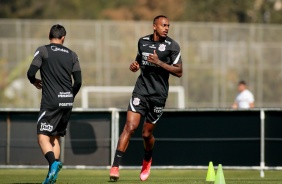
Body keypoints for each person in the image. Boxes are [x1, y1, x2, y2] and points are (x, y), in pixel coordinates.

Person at [109, 15, 183, 182]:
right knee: (130, 126)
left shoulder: (172, 46)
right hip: (141, 91)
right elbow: (138, 62)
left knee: (146, 134)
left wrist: (160, 63)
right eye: (163, 25)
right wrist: (134, 66)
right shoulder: (142, 42)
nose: (166, 28)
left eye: (168, 26)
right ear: (154, 26)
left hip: (158, 95)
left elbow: (179, 71)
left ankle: (147, 160)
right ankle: (114, 167)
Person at [27, 24, 82, 184]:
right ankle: (52, 175)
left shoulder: (43, 50)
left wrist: (34, 81)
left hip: (51, 101)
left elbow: (31, 72)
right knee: (55, 137)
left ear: (49, 35)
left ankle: (53, 164)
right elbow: (78, 81)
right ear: (63, 38)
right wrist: (69, 96)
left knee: (42, 137)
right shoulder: (73, 54)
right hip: (67, 102)